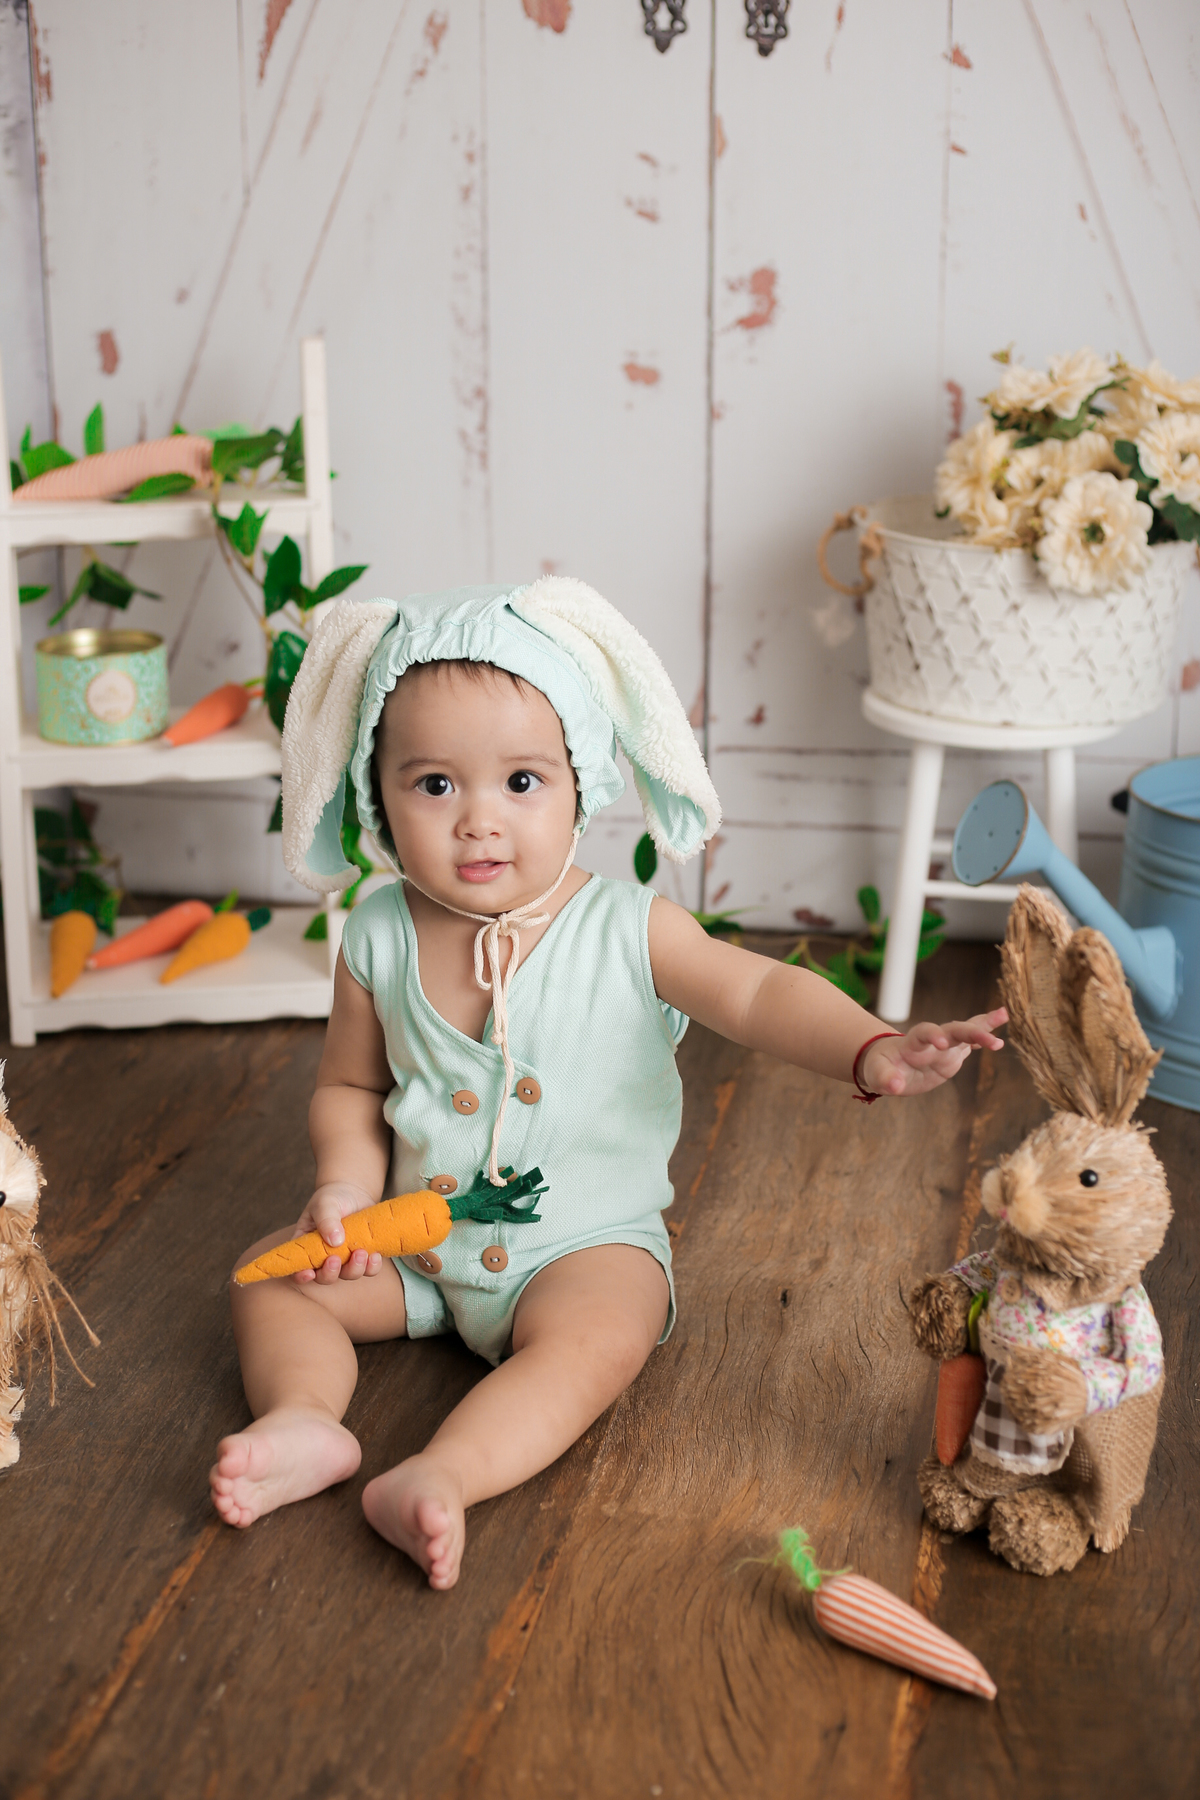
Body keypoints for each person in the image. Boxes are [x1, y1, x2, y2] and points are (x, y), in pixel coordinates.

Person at [209, 580, 1005, 1588]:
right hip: (416, 1243)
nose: (479, 822)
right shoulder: (377, 933)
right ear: (377, 793)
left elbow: (757, 992)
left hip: (579, 1249)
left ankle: (445, 1475)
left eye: (522, 782)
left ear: (582, 782)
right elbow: (351, 1090)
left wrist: (870, 1047)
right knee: (270, 1278)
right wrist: (343, 1189)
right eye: (436, 785)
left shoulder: (630, 927)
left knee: (601, 1338)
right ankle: (302, 1420)